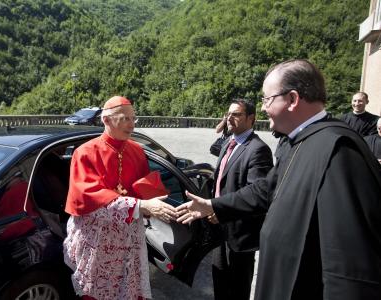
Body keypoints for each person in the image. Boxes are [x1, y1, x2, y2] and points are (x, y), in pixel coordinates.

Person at [176, 59, 381, 300]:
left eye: (267, 99)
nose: (263, 108)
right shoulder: (296, 141)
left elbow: (349, 261)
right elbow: (266, 189)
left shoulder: (339, 149)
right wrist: (212, 205)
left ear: (292, 99)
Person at [63, 96, 177, 300]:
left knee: (129, 290)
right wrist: (140, 205)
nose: (132, 125)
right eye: (125, 119)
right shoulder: (85, 153)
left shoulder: (137, 150)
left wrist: (154, 198)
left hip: (129, 237)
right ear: (106, 120)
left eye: (134, 119)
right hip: (98, 242)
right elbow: (88, 196)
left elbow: (143, 188)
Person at [210, 99, 273, 300]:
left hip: (240, 234)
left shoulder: (258, 149)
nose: (230, 118)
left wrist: (219, 209)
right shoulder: (228, 143)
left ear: (251, 118)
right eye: (228, 114)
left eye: (236, 114)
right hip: (219, 228)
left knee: (237, 290)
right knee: (219, 284)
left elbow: (255, 194)